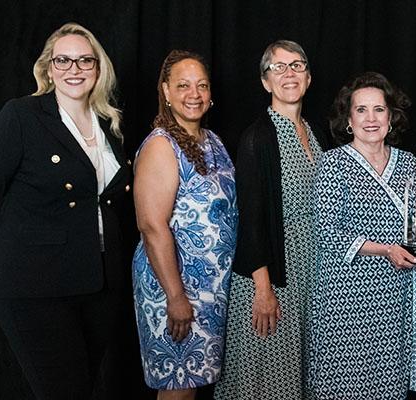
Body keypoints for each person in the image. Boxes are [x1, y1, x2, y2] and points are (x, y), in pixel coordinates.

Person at [0, 22, 131, 399]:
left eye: (84, 61)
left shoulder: (109, 123)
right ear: (49, 68)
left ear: (98, 68)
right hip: (35, 286)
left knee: (86, 389)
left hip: (99, 283)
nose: (74, 69)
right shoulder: (22, 116)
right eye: (64, 61)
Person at [214, 39, 331, 399]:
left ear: (309, 78)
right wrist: (263, 290)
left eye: (296, 65)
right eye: (278, 67)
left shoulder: (315, 134)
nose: (289, 74)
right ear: (266, 82)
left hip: (308, 270)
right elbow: (249, 218)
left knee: (301, 374)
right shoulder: (258, 138)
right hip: (271, 276)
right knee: (268, 378)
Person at [307, 72, 416, 399]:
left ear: (391, 117)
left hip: (393, 292)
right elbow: (326, 232)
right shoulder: (332, 164)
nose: (370, 119)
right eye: (361, 110)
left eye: (379, 109)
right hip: (344, 297)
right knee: (343, 384)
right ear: (349, 118)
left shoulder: (409, 163)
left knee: (386, 384)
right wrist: (385, 249)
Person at [131, 50, 237, 399]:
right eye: (183, 85)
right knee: (179, 387)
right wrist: (175, 296)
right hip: (175, 286)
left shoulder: (214, 141)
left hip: (210, 289)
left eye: (201, 86)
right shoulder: (162, 145)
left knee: (194, 384)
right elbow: (151, 226)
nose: (194, 94)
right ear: (166, 91)